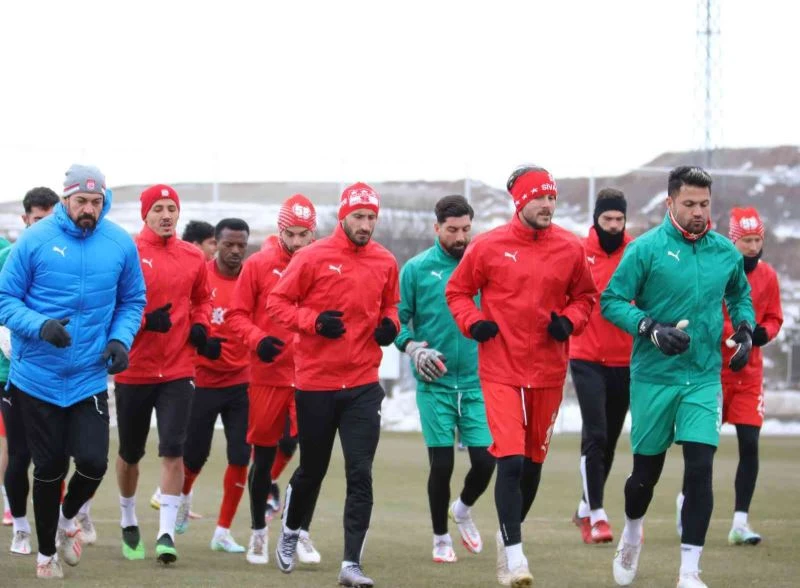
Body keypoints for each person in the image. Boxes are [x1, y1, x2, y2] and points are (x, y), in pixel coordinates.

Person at [602, 166, 755, 588]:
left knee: (700, 468)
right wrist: (650, 328)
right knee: (644, 477)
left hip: (703, 378)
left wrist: (745, 330)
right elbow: (611, 300)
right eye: (689, 204)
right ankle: (632, 532)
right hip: (653, 377)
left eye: (704, 204)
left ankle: (689, 571)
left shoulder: (725, 252)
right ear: (670, 203)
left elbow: (739, 294)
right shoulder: (645, 249)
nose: (698, 212)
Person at [446, 165, 597, 587]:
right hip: (500, 368)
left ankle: (507, 533)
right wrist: (474, 322)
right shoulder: (488, 246)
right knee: (509, 460)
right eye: (539, 198)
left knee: (532, 466)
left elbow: (586, 297)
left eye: (551, 198)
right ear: (520, 202)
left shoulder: (570, 247)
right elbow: (457, 292)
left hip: (548, 371)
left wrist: (569, 321)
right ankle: (514, 557)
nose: (547, 205)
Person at [0, 164, 146, 578]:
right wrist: (39, 326)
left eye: (96, 202)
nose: (88, 209)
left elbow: (132, 300)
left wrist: (120, 340)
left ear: (104, 201)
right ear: (66, 199)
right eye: (81, 201)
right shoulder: (35, 240)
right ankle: (46, 556)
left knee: (93, 462)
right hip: (37, 376)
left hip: (88, 376)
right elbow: (5, 298)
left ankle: (67, 521)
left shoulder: (118, 242)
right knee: (48, 468)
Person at [267, 182, 399, 587]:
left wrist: (391, 325)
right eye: (358, 216)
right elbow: (277, 303)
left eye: (371, 217)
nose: (365, 224)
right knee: (313, 470)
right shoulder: (312, 256)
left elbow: (391, 305)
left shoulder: (385, 260)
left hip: (363, 383)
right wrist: (314, 322)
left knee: (360, 473)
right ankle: (290, 531)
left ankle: (351, 564)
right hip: (316, 384)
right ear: (343, 216)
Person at [114, 184, 215, 565]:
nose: (166, 215)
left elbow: (203, 299)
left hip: (178, 368)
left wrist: (201, 325)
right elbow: (112, 305)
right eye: (158, 208)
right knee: (130, 453)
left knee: (174, 449)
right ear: (145, 214)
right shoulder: (128, 253)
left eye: (171, 208)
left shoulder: (192, 256)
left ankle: (166, 534)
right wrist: (144, 322)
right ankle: (128, 518)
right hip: (135, 369)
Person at [394, 194, 495, 563]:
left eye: (466, 229)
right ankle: (440, 538)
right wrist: (412, 349)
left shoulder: (484, 266)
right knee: (442, 465)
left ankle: (462, 509)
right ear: (436, 228)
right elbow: (396, 319)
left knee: (485, 462)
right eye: (452, 230)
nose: (460, 237)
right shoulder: (416, 269)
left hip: (477, 383)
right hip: (434, 384)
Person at [676, 206, 783, 547]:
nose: (752, 246)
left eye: (757, 240)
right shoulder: (717, 270)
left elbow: (774, 317)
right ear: (733, 242)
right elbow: (705, 314)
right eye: (746, 240)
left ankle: (740, 522)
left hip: (749, 376)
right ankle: (685, 504)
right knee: (701, 448)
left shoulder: (769, 276)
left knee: (749, 445)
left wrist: (763, 333)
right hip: (714, 373)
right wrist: (736, 333)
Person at [228, 194, 322, 566]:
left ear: (314, 233)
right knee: (264, 457)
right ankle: (257, 533)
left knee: (311, 458)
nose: (297, 242)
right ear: (280, 230)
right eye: (291, 234)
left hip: (312, 375)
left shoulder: (322, 263)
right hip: (268, 375)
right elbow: (236, 315)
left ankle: (299, 531)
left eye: (304, 234)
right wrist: (258, 340)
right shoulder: (258, 265)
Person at [174, 218, 252, 553]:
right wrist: (201, 344)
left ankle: (222, 531)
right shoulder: (200, 275)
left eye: (240, 245)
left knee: (241, 455)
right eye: (228, 244)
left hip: (242, 381)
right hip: (203, 379)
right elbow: (183, 318)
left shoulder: (252, 278)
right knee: (194, 456)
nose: (235, 251)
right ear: (215, 243)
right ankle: (183, 497)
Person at [569, 188, 633, 545]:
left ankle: (584, 507)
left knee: (608, 440)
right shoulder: (579, 251)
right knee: (595, 434)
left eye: (619, 219)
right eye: (607, 218)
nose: (613, 225)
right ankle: (597, 514)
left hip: (626, 359)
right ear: (596, 219)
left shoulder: (636, 251)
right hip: (586, 356)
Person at [0, 187, 61, 555]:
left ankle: (59, 523)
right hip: (11, 372)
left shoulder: (66, 256)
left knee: (55, 455)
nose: (43, 226)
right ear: (25, 219)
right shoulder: (8, 257)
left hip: (54, 372)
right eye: (37, 219)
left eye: (50, 219)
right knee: (20, 453)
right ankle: (21, 527)